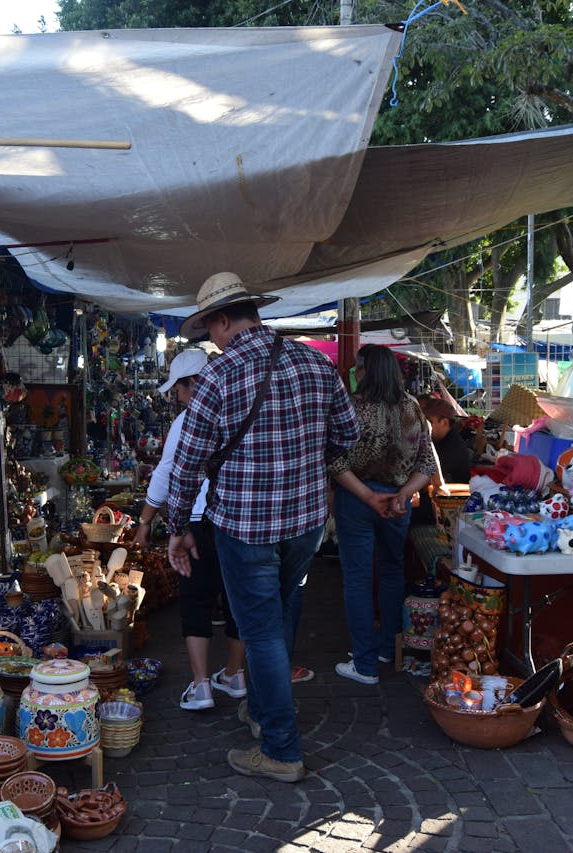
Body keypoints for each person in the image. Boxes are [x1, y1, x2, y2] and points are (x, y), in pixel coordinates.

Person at [164, 272, 359, 783]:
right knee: (283, 611)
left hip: (245, 527)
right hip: (306, 521)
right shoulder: (316, 363)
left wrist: (178, 527)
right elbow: (347, 436)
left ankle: (280, 749)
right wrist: (304, 469)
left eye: (211, 330)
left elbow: (186, 466)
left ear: (224, 320)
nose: (213, 340)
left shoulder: (217, 378)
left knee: (263, 631)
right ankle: (263, 711)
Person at [133, 348, 247, 712]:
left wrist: (146, 520)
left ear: (193, 383)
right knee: (237, 601)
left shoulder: (189, 419)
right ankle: (234, 674)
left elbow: (168, 474)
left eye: (178, 390)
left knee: (196, 601)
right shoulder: (241, 408)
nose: (176, 398)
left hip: (198, 521)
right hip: (238, 521)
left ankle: (201, 687)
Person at [328, 345, 438, 684]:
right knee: (392, 571)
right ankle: (388, 650)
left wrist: (367, 495)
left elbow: (334, 460)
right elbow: (426, 464)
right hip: (397, 502)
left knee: (358, 580)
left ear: (364, 370)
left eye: (356, 368)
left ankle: (364, 664)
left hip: (358, 500)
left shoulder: (352, 408)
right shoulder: (411, 408)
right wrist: (403, 493)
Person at [411, 394, 473, 526]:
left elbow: (425, 480)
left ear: (444, 422)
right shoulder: (440, 440)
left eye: (429, 422)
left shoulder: (452, 447)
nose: (424, 427)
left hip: (453, 507)